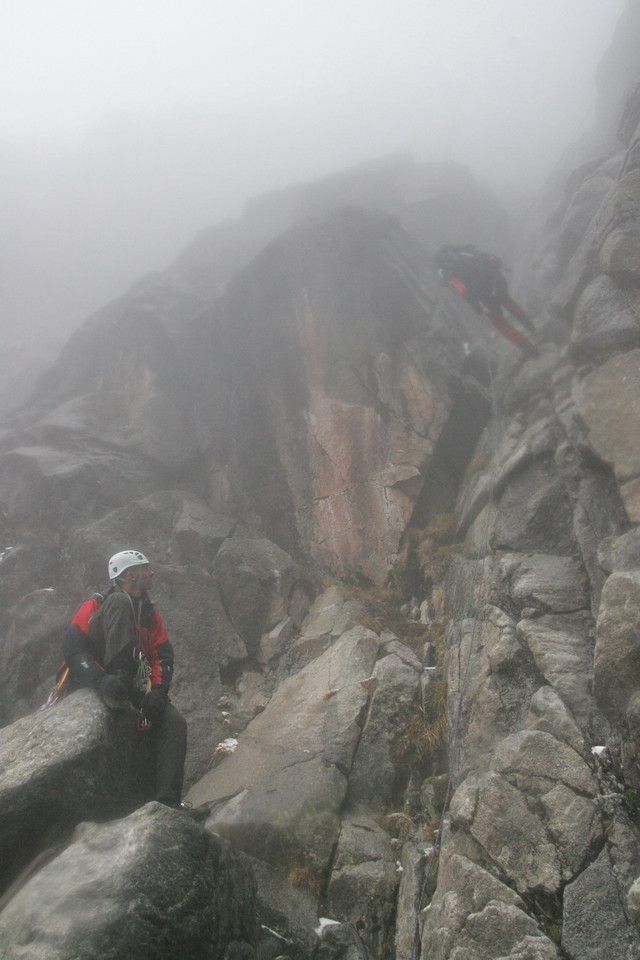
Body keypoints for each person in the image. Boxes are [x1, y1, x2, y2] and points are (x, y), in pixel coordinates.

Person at [63, 549, 188, 809]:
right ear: (132, 574)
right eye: (147, 569)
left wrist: (158, 692)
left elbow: (162, 656)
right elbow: (73, 648)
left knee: (174, 723)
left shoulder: (149, 614)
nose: (152, 573)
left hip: (134, 685)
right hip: (99, 678)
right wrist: (100, 680)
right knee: (119, 602)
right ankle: (119, 677)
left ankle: (168, 804)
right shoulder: (98, 604)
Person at [435, 245, 537, 352]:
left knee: (499, 323)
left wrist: (477, 309)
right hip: (498, 283)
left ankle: (528, 348)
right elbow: (496, 261)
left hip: (485, 297)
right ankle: (532, 328)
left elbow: (464, 292)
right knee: (509, 303)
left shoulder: (448, 272)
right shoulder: (467, 253)